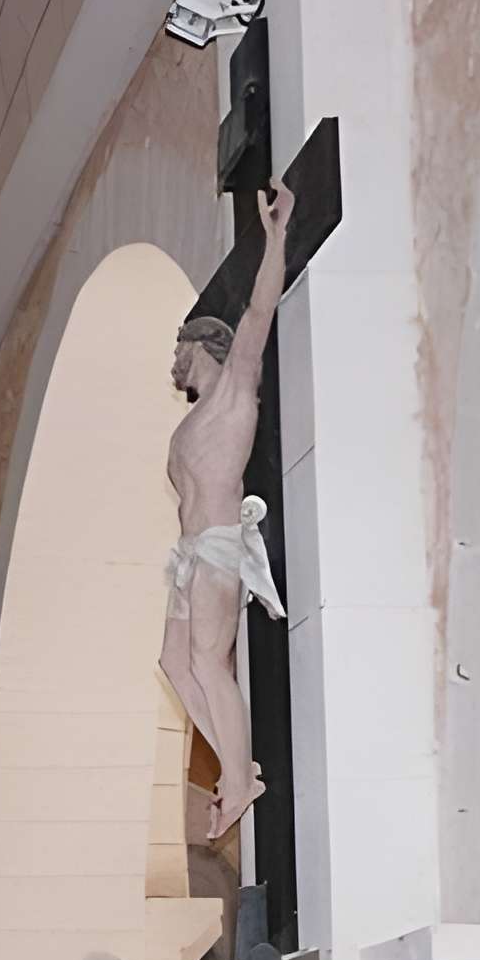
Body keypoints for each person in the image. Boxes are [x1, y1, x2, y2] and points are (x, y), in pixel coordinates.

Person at [163, 181, 297, 841]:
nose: (173, 362)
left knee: (210, 663)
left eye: (179, 350)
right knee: (174, 664)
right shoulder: (190, 425)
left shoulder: (234, 393)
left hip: (215, 546)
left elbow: (260, 313)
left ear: (202, 345)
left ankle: (240, 780)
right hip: (188, 558)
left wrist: (276, 238)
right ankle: (238, 769)